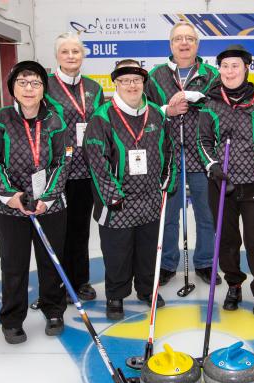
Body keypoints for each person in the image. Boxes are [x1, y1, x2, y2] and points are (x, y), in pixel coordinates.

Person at [0, 61, 70, 343]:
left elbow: (62, 161)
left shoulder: (56, 120)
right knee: (13, 264)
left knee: (51, 261)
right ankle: (11, 318)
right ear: (13, 88)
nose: (29, 88)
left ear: (44, 88)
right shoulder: (1, 120)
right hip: (12, 207)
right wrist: (11, 195)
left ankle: (53, 310)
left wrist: (48, 196)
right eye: (22, 82)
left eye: (35, 83)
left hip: (50, 204)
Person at [83, 60, 176, 320]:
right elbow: (96, 159)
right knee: (118, 253)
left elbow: (170, 150)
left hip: (149, 199)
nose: (131, 85)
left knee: (148, 250)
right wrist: (112, 195)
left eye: (136, 80)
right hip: (117, 202)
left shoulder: (156, 113)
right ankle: (115, 295)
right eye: (125, 81)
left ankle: (147, 290)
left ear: (143, 83)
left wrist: (169, 179)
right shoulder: (102, 117)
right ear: (116, 84)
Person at [198, 45, 254, 316]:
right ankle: (234, 284)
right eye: (225, 66)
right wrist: (213, 167)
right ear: (218, 69)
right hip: (222, 184)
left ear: (246, 68)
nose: (229, 71)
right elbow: (203, 142)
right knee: (227, 240)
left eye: (235, 66)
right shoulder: (210, 104)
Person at [30, 32, 104, 310]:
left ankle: (80, 280)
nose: (71, 56)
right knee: (52, 233)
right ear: (57, 56)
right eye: (65, 52)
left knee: (80, 230)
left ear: (83, 56)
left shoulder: (94, 89)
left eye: (76, 51)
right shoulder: (44, 87)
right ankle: (52, 289)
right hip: (54, 172)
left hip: (86, 172)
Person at [145, 21, 221, 285]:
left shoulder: (212, 74)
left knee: (206, 213)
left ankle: (206, 262)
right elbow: (143, 110)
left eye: (190, 38)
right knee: (168, 214)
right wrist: (167, 109)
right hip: (168, 155)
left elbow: (220, 109)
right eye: (179, 39)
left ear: (197, 44)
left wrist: (198, 100)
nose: (184, 43)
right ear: (171, 44)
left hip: (202, 154)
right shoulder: (155, 75)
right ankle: (167, 263)